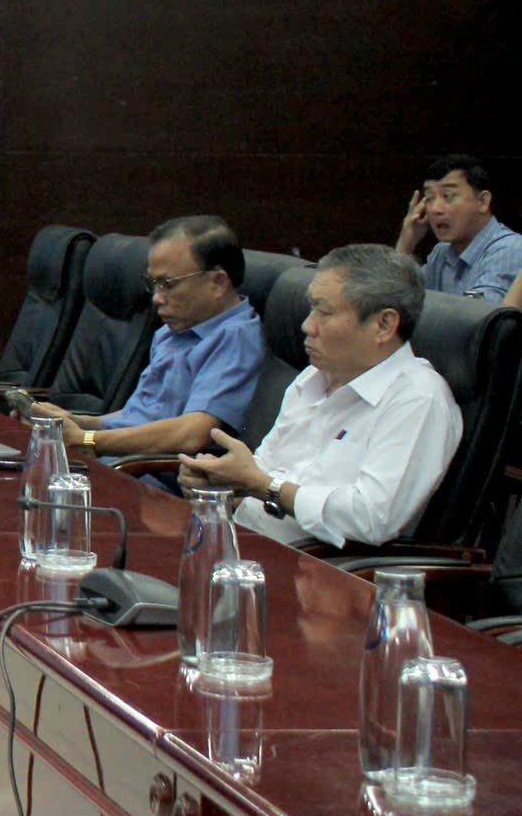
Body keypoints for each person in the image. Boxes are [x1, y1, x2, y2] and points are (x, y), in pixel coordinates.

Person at [180, 245, 461, 551]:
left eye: (323, 312)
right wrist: (222, 481)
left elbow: (372, 518)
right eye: (311, 308)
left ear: (384, 325)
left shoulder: (418, 398)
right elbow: (266, 471)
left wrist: (262, 486)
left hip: (313, 568)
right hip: (240, 541)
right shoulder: (313, 377)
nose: (307, 325)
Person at [31, 215, 263, 459]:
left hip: (146, 471)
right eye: (154, 284)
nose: (157, 298)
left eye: (167, 284)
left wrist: (87, 440)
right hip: (117, 458)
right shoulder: (175, 329)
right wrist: (77, 423)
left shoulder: (236, 339)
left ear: (218, 282)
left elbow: (192, 434)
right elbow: (139, 417)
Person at [394, 154, 522, 300]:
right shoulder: (441, 252)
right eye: (429, 198)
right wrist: (405, 244)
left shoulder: (511, 249)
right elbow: (398, 301)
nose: (435, 209)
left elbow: (477, 311)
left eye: (448, 196)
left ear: (482, 201)